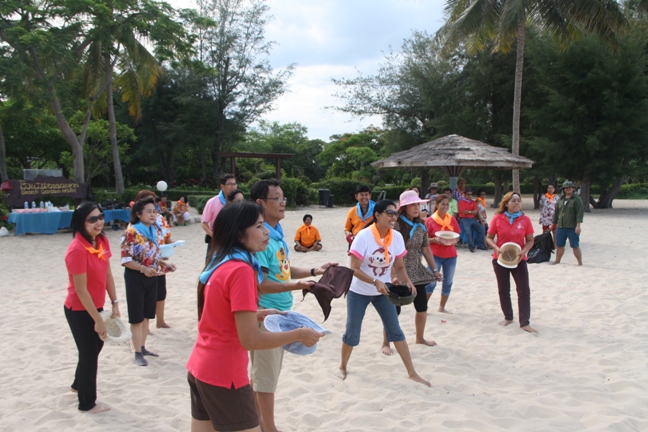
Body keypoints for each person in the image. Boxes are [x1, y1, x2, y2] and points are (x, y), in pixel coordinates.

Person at [186, 202, 324, 432]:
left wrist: (259, 314)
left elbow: (218, 316)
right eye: (259, 226)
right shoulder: (242, 270)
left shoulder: (220, 261)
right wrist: (298, 334)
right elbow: (250, 340)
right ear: (239, 234)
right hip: (225, 375)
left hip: (200, 367)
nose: (266, 231)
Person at [250, 179, 337, 432]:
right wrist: (299, 286)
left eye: (283, 198)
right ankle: (268, 428)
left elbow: (284, 271)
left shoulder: (275, 234)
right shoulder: (261, 237)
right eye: (277, 198)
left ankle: (258, 424)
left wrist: (314, 270)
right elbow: (262, 284)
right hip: (266, 315)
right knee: (265, 378)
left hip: (279, 313)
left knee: (264, 375)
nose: (282, 203)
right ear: (260, 203)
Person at [339, 199, 430, 387]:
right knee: (352, 332)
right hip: (359, 290)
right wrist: (375, 281)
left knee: (395, 330)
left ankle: (412, 373)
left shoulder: (396, 237)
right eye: (389, 213)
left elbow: (399, 266)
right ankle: (343, 366)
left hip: (383, 290)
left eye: (395, 213)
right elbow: (353, 268)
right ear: (377, 215)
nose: (393, 217)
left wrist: (407, 281)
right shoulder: (363, 237)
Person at [64, 202, 120, 413]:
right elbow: (80, 290)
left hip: (98, 305)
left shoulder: (102, 240)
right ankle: (87, 403)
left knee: (94, 349)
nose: (99, 222)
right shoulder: (76, 250)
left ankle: (78, 384)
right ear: (81, 222)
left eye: (101, 217)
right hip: (79, 309)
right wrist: (97, 320)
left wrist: (114, 303)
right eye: (92, 219)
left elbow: (107, 273)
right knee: (89, 355)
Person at [121, 197, 176, 366]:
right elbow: (126, 260)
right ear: (138, 214)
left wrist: (164, 264)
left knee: (146, 315)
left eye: (154, 211)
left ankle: (143, 347)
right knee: (136, 317)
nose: (153, 215)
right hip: (135, 277)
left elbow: (153, 256)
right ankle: (137, 352)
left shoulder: (153, 230)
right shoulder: (131, 232)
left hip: (152, 276)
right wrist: (142, 268)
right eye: (148, 212)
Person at [382, 191, 439, 353]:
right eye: (412, 204)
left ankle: (419, 338)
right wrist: (393, 274)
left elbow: (426, 249)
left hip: (417, 271)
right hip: (397, 270)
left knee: (422, 307)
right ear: (404, 207)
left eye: (418, 204)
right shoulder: (396, 225)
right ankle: (386, 342)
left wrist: (435, 269)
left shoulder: (421, 225)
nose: (416, 207)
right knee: (394, 310)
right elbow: (388, 250)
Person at [486, 192, 537, 334]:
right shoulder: (498, 218)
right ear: (506, 203)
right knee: (503, 289)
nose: (516, 203)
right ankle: (508, 317)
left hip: (519, 260)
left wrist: (524, 251)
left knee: (524, 290)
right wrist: (496, 248)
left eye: (518, 201)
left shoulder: (525, 220)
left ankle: (524, 322)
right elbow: (489, 237)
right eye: (513, 201)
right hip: (500, 259)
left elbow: (530, 240)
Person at [134, 190, 174, 329]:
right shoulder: (135, 225)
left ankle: (160, 321)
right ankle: (146, 325)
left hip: (159, 261)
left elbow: (167, 235)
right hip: (143, 264)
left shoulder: (160, 219)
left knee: (160, 292)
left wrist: (170, 247)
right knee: (146, 296)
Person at [425, 194, 461, 313]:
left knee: (448, 282)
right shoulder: (429, 221)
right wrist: (434, 240)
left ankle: (442, 307)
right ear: (437, 205)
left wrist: (453, 240)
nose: (445, 206)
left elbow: (457, 235)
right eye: (443, 204)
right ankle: (423, 307)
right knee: (431, 282)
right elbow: (424, 240)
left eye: (447, 204)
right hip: (434, 255)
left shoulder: (452, 219)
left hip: (451, 255)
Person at [201, 174, 238, 248]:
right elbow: (204, 223)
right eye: (229, 184)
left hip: (235, 239)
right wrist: (214, 236)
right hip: (217, 240)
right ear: (222, 186)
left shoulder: (239, 201)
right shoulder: (212, 202)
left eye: (234, 184)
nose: (233, 187)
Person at [551, 181, 584, 266]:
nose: (568, 189)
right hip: (560, 226)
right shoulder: (560, 200)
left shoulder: (577, 200)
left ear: (573, 189)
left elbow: (579, 214)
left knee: (575, 245)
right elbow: (556, 213)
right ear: (564, 189)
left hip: (572, 227)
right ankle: (557, 260)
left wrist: (578, 226)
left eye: (570, 187)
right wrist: (553, 224)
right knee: (560, 245)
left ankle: (580, 262)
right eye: (566, 188)